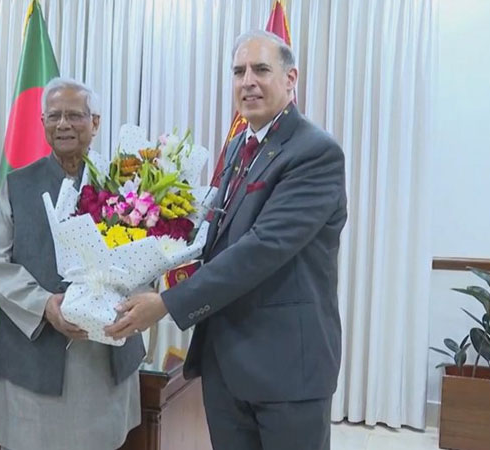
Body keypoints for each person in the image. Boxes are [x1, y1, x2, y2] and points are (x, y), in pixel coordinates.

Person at [106, 30, 347, 450]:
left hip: (286, 369)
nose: (248, 81)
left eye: (261, 70)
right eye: (239, 72)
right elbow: (214, 237)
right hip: (227, 362)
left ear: (291, 79)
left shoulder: (314, 152)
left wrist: (167, 303)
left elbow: (261, 248)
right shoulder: (239, 146)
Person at [0, 77, 144, 450]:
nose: (63, 124)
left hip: (104, 356)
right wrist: (44, 305)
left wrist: (136, 304)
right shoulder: (18, 184)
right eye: (54, 116)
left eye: (74, 115)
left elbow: (148, 256)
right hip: (33, 357)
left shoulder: (125, 184)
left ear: (95, 122)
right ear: (43, 123)